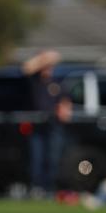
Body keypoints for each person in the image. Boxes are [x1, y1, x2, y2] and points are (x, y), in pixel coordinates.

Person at [21, 50, 72, 198]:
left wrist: (64, 110)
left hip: (53, 126)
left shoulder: (57, 83)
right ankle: (37, 188)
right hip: (36, 126)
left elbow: (65, 103)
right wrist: (43, 58)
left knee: (53, 158)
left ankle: (49, 188)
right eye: (45, 66)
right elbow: (26, 68)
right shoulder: (35, 81)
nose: (47, 69)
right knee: (36, 158)